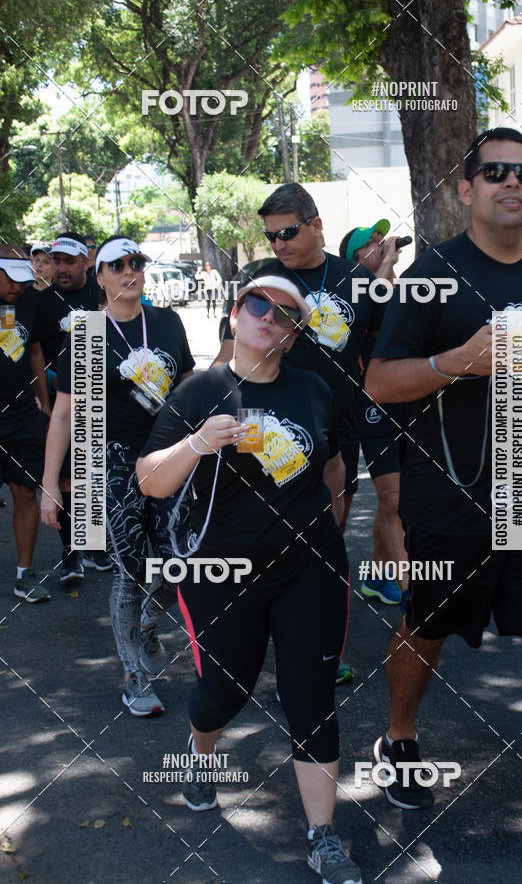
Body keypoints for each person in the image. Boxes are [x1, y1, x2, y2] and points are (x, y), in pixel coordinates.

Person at [366, 127, 522, 873]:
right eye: (495, 172)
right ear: (465, 188)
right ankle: (400, 734)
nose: (512, 183)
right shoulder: (432, 275)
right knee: (426, 633)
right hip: (454, 502)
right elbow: (379, 383)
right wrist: (454, 363)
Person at [137, 275, 361, 884]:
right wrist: (197, 444)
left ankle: (323, 835)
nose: (270, 318)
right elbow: (151, 479)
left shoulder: (315, 389)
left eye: (287, 315)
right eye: (258, 305)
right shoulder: (200, 390)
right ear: (236, 314)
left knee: (310, 695)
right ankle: (200, 753)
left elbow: (334, 463)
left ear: (293, 335)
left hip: (309, 568)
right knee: (225, 693)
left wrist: (328, 525)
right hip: (221, 573)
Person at [41, 235, 195, 716]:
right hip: (114, 461)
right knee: (130, 571)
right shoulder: (87, 332)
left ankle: (148, 622)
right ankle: (134, 676)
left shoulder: (167, 323)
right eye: (118, 265)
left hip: (171, 456)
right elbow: (65, 416)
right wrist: (51, 484)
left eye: (136, 263)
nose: (130, 271)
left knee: (180, 564)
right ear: (100, 275)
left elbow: (188, 380)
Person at [213, 183, 386, 535]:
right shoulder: (261, 279)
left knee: (331, 526)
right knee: (265, 524)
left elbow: (382, 350)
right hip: (262, 419)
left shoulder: (358, 280)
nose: (278, 244)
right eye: (271, 236)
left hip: (340, 420)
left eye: (288, 233)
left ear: (317, 225)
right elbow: (227, 354)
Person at [340, 220, 409, 606]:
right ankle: (408, 585)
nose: (382, 244)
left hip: (408, 401)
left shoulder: (395, 283)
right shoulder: (351, 288)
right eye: (372, 243)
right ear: (354, 258)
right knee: (393, 497)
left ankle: (378, 576)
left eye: (382, 239)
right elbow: (372, 301)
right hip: (373, 404)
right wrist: (387, 266)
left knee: (396, 503)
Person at [37, 232, 107, 581]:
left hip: (101, 400)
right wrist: (44, 399)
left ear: (86, 262)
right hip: (61, 399)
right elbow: (34, 350)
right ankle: (70, 553)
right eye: (56, 261)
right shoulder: (44, 301)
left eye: (69, 261)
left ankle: (93, 543)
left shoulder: (101, 295)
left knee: (92, 473)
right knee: (65, 476)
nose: (61, 269)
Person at [0, 245, 51, 601]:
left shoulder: (30, 300)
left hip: (21, 415)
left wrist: (45, 407)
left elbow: (34, 351)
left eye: (23, 281)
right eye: (10, 281)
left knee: (24, 491)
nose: (18, 288)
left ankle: (25, 574)